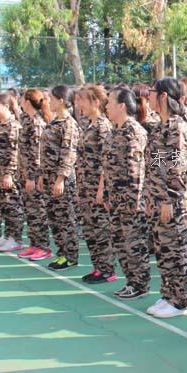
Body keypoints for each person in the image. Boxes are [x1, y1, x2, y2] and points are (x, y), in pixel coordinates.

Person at [145, 77, 187, 318]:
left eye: (152, 92)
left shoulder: (176, 127)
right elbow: (155, 165)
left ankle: (180, 300)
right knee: (163, 250)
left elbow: (178, 167)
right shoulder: (159, 126)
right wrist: (150, 197)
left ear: (163, 96)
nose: (149, 96)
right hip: (158, 197)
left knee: (176, 249)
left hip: (171, 201)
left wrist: (168, 199)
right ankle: (168, 294)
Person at [101, 87, 150, 297]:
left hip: (130, 200)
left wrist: (134, 201)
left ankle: (140, 285)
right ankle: (131, 281)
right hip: (116, 199)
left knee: (134, 244)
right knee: (120, 242)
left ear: (121, 105)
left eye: (110, 102)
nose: (106, 106)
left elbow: (136, 170)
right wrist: (107, 194)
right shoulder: (114, 131)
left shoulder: (134, 132)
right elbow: (108, 166)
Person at [74, 85, 114, 282]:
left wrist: (101, 189)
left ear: (95, 102)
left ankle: (107, 270)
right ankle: (97, 267)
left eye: (82, 100)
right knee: (89, 229)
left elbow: (106, 161)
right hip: (85, 187)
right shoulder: (87, 124)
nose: (79, 104)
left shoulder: (103, 127)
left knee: (101, 229)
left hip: (96, 187)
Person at [39, 85, 81, 270]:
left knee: (65, 218)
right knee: (54, 218)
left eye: (51, 98)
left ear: (61, 100)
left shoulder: (68, 124)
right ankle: (62, 253)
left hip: (61, 179)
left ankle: (70, 256)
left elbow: (69, 154)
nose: (48, 101)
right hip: (49, 177)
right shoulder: (54, 121)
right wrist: (42, 176)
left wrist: (60, 179)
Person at [0, 93, 25, 252]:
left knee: (12, 205)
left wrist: (9, 173)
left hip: (9, 174)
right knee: (3, 205)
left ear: (6, 106)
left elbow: (15, 152)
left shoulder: (13, 126)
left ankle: (15, 238)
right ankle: (7, 235)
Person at [18, 89, 53, 261]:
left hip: (34, 176)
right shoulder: (27, 120)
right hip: (25, 174)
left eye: (21, 99)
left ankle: (43, 246)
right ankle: (34, 243)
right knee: (30, 212)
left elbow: (37, 154)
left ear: (27, 101)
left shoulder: (36, 123)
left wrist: (32, 177)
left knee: (38, 211)